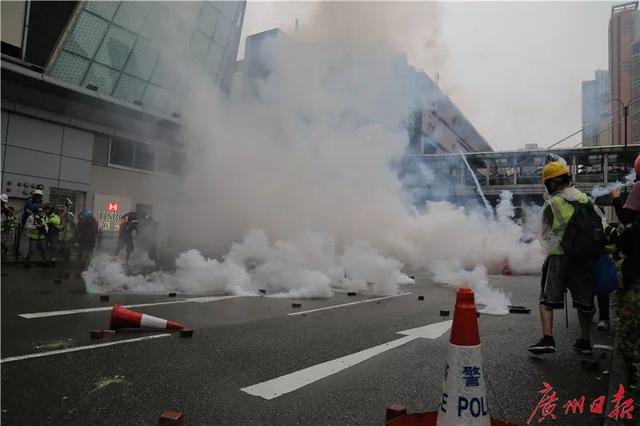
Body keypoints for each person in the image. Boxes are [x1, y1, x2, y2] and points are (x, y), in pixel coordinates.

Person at [528, 160, 596, 355]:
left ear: (552, 183)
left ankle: (548, 339)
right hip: (582, 257)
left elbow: (543, 233)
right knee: (585, 302)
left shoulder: (553, 203)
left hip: (558, 258)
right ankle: (585, 341)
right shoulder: (585, 199)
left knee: (547, 300)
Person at [610, 153, 640, 292]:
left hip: (637, 246)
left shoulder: (638, 187)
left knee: (629, 273)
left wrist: (616, 198)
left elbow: (625, 218)